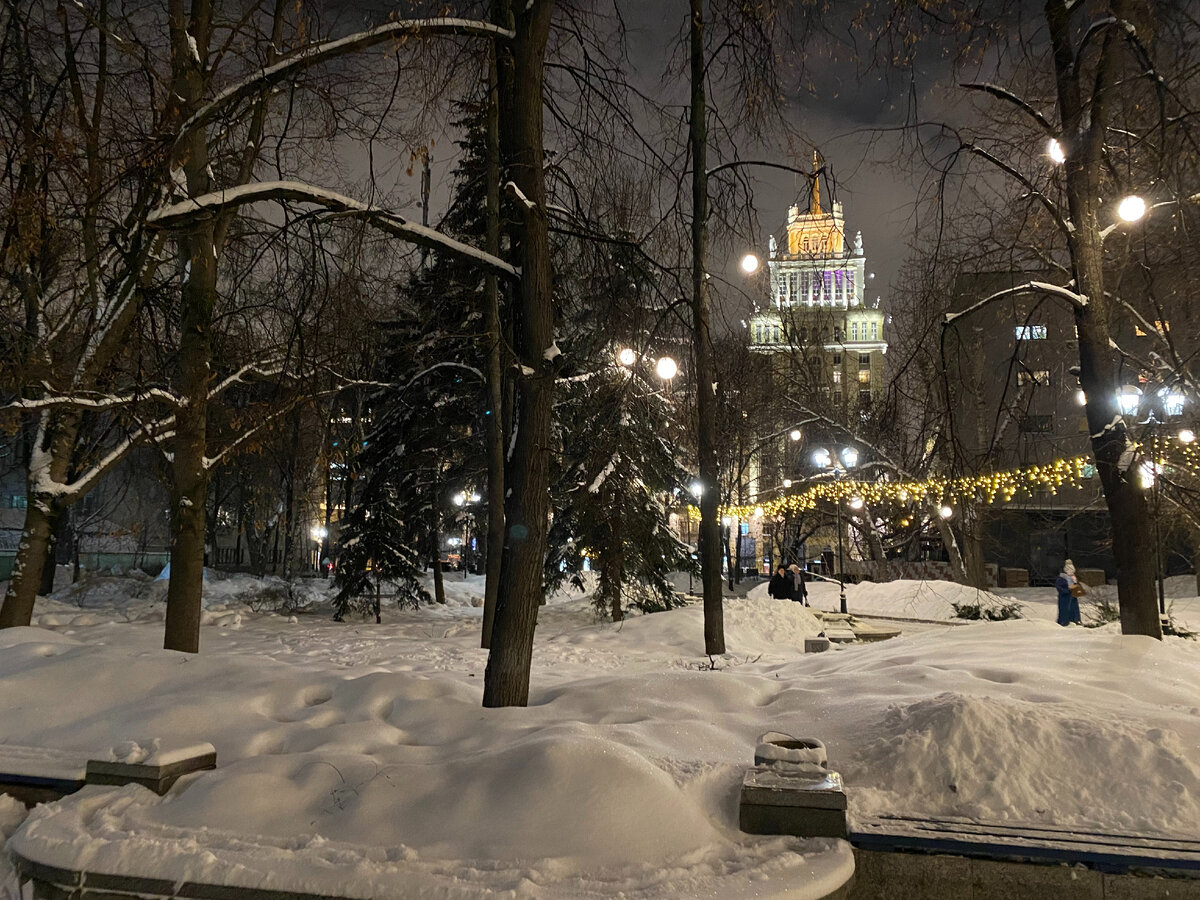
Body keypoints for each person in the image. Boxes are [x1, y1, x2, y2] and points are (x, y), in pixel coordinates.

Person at [1054, 559, 1083, 626]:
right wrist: (1068, 589)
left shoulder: (1073, 578)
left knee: (1073, 610)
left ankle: (1075, 621)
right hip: (1065, 597)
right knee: (1065, 611)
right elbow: (1060, 588)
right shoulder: (1062, 578)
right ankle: (1064, 622)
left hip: (1072, 597)